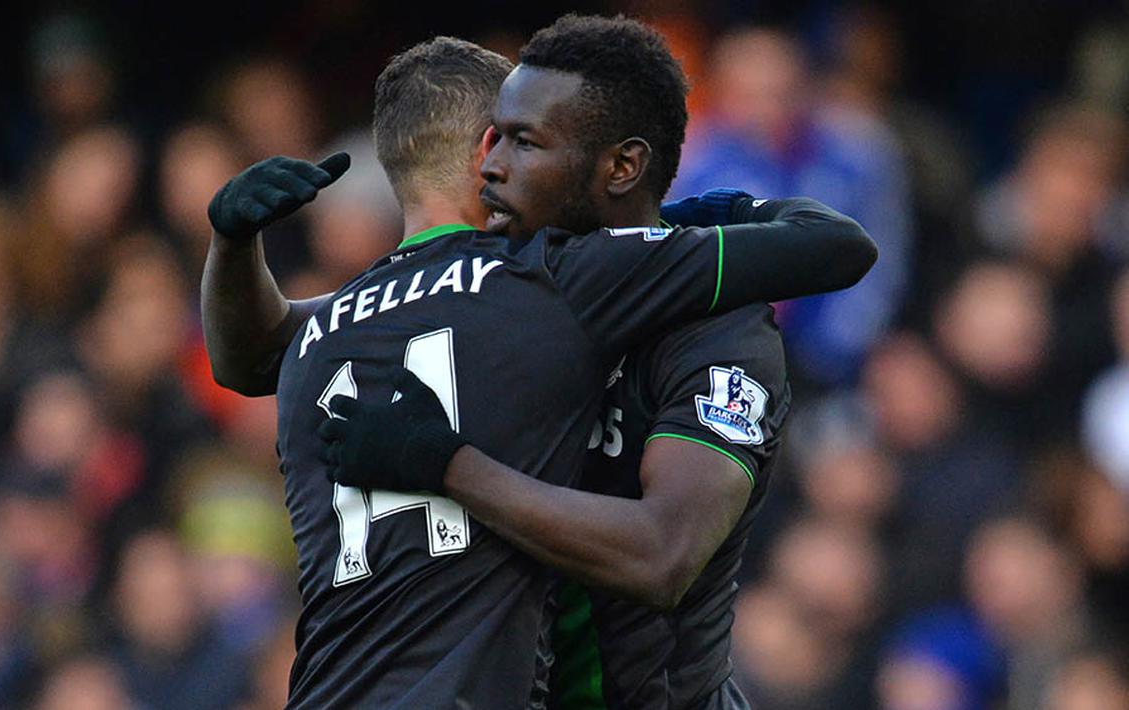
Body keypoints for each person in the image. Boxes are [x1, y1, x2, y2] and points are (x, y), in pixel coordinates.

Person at [202, 26, 875, 710]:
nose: (492, 167)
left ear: (617, 168)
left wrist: (446, 465)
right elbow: (263, 351)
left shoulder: (712, 326)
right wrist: (231, 244)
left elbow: (661, 555)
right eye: (492, 140)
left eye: (522, 142)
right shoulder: (508, 292)